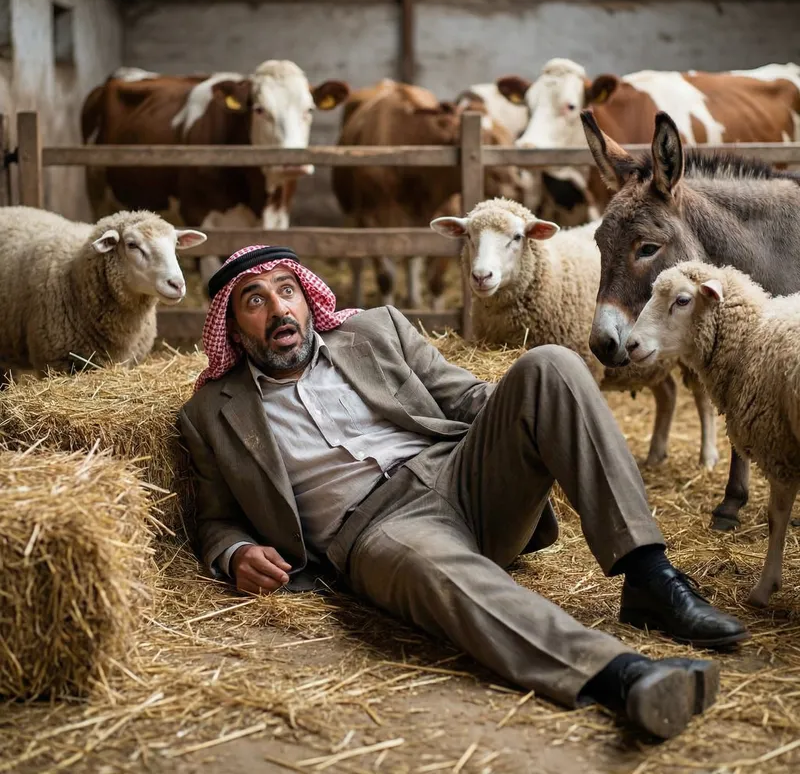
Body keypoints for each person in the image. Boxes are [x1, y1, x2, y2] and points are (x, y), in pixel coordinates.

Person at [179, 245, 749, 741]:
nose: (279, 308)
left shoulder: (375, 330)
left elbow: (465, 397)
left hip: (461, 474)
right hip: (379, 530)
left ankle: (649, 575)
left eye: (287, 291)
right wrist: (234, 553)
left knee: (550, 364)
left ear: (308, 299)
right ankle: (621, 676)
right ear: (233, 328)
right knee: (431, 563)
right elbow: (215, 518)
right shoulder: (212, 413)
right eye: (255, 300)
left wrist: (528, 408)